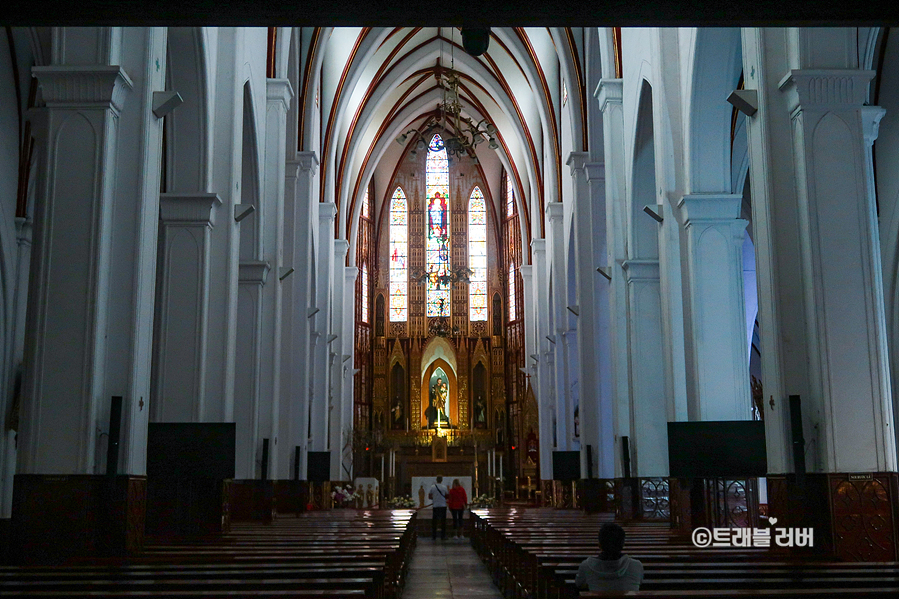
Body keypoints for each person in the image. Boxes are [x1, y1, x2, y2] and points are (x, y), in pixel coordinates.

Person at [575, 523, 644, 592]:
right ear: (622, 544)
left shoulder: (586, 566)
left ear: (600, 545)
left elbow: (579, 584)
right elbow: (639, 582)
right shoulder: (636, 565)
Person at [428, 475, 449, 540]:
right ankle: (443, 536)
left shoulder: (433, 487)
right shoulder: (444, 487)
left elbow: (429, 496)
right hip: (443, 505)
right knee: (443, 521)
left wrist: (435, 498)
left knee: (434, 521)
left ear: (436, 480)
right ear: (441, 480)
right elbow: (447, 495)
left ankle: (434, 536)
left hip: (435, 505)